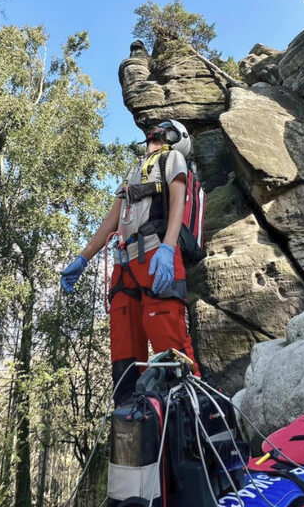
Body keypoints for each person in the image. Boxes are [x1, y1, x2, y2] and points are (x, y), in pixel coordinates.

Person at [60, 118, 200, 404]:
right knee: (124, 359)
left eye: (163, 128)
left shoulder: (172, 158)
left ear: (175, 136)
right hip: (124, 267)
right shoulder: (133, 171)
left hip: (156, 256)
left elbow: (176, 202)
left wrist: (168, 248)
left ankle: (186, 425)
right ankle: (134, 426)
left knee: (169, 349)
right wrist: (83, 258)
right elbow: (112, 220)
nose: (154, 131)